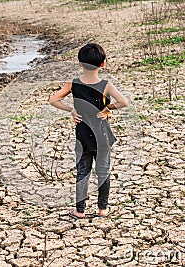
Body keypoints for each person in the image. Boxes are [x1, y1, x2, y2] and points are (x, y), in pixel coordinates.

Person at [49, 43, 128, 219]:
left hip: (83, 135)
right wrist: (108, 108)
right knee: (103, 172)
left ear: (79, 63)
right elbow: (124, 102)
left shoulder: (74, 84)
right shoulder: (106, 85)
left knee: (83, 172)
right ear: (103, 64)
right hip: (102, 135)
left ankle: (80, 210)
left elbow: (53, 99)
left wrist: (71, 110)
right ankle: (102, 209)